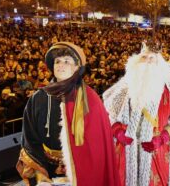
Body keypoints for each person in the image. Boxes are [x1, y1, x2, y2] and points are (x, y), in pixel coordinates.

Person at [16, 42, 119, 186]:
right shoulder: (38, 97)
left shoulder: (90, 98)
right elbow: (29, 137)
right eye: (57, 61)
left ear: (78, 68)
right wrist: (40, 172)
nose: (61, 65)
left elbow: (97, 144)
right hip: (45, 168)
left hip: (81, 169)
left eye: (67, 61)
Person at [103, 42, 170, 186]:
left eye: (152, 58)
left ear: (159, 63)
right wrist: (117, 131)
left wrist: (162, 138)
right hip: (126, 152)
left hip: (156, 152)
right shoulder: (123, 88)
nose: (148, 62)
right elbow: (108, 116)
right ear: (137, 60)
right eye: (145, 57)